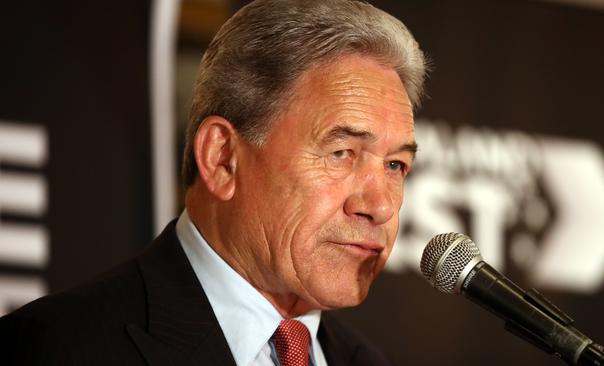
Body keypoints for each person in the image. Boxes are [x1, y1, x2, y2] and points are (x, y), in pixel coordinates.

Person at [0, 0, 427, 364]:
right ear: (221, 158)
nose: (381, 206)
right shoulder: (57, 347)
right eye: (342, 153)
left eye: (395, 166)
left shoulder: (367, 361)